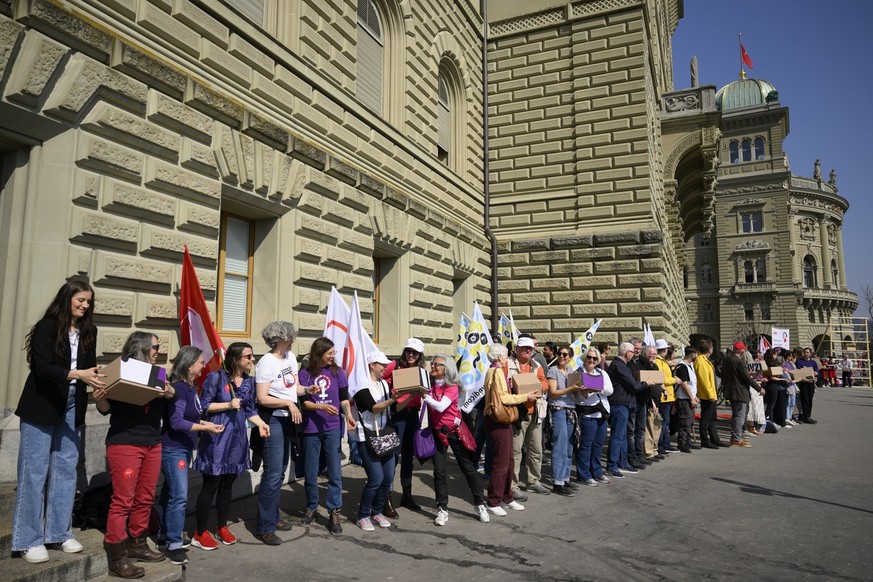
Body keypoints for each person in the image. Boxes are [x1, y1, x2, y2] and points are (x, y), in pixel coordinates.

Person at [13, 279, 102, 564]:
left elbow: (87, 369)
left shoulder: (90, 330)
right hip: (42, 404)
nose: (85, 305)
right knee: (34, 471)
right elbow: (43, 368)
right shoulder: (47, 327)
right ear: (67, 299)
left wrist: (97, 378)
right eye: (81, 300)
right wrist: (79, 375)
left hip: (73, 405)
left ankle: (59, 533)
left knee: (65, 470)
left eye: (89, 301)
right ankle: (28, 540)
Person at [93, 332, 174, 578]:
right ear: (142, 347)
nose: (158, 351)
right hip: (125, 443)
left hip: (152, 443)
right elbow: (105, 409)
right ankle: (117, 557)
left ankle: (137, 544)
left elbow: (173, 398)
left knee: (146, 497)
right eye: (155, 347)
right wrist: (100, 398)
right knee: (123, 500)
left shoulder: (158, 373)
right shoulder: (120, 370)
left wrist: (169, 392)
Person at [192, 342, 270, 550]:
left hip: (237, 441)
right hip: (216, 439)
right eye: (249, 357)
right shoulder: (216, 377)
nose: (253, 360)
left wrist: (261, 424)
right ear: (236, 359)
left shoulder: (249, 382)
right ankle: (199, 532)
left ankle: (221, 526)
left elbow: (250, 410)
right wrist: (227, 405)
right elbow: (203, 406)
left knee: (228, 484)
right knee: (212, 484)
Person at [157, 346, 224, 565]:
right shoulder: (180, 388)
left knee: (170, 493)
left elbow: (191, 417)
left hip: (183, 448)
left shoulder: (190, 387)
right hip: (173, 449)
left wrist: (206, 424)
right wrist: (204, 428)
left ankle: (165, 536)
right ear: (189, 365)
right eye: (200, 362)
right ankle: (174, 544)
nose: (203, 365)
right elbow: (176, 422)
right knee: (180, 496)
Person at [254, 321, 312, 546]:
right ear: (280, 338)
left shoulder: (290, 358)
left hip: (288, 420)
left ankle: (273, 518)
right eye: (291, 336)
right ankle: (265, 528)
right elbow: (262, 397)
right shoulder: (266, 362)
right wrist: (289, 403)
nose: (293, 340)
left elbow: (293, 388)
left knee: (279, 474)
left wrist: (307, 390)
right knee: (272, 473)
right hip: (273, 421)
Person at [423, 355, 490, 525]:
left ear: (446, 368)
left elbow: (440, 406)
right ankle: (442, 508)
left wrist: (424, 396)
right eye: (432, 363)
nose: (433, 366)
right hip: (437, 433)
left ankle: (479, 503)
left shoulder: (451, 387)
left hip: (453, 432)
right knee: (439, 471)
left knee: (467, 467)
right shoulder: (428, 385)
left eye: (437, 364)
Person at [297, 337, 355, 535]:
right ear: (319, 353)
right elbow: (304, 403)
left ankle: (334, 511)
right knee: (311, 471)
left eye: (333, 352)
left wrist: (348, 416)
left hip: (332, 428)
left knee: (334, 472)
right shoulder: (304, 374)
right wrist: (321, 406)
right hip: (311, 428)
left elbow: (344, 398)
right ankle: (312, 506)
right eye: (329, 352)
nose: (332, 356)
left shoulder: (338, 373)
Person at [482, 344, 538, 515]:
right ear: (500, 357)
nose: (507, 359)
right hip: (497, 419)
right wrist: (525, 397)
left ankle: (507, 497)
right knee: (501, 462)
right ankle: (493, 501)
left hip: (502, 419)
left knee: (509, 460)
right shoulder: (496, 371)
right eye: (506, 356)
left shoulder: (496, 370)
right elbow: (502, 397)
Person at [351, 351, 397, 531]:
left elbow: (394, 408)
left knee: (388, 477)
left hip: (384, 435)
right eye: (381, 364)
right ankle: (363, 515)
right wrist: (393, 399)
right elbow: (374, 408)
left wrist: (409, 395)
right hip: (366, 436)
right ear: (372, 365)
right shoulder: (361, 385)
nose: (385, 367)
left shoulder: (384, 384)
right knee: (376, 478)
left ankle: (376, 511)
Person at [382, 337, 426, 515]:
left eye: (415, 352)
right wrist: (390, 388)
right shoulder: (394, 366)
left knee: (408, 455)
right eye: (408, 351)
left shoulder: (421, 370)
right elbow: (379, 376)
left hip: (413, 415)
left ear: (420, 355)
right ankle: (386, 497)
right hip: (397, 414)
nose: (411, 355)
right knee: (393, 456)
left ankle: (407, 495)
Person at [508, 335, 550, 499]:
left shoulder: (537, 365)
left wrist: (536, 387)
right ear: (516, 349)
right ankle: (512, 485)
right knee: (516, 452)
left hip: (535, 413)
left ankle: (533, 482)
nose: (527, 351)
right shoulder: (509, 365)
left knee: (536, 450)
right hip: (517, 414)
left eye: (530, 349)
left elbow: (544, 383)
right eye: (524, 348)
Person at [606, 342, 648, 478]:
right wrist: (647, 383)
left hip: (624, 403)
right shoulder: (618, 365)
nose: (634, 354)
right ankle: (612, 465)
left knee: (623, 436)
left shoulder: (621, 365)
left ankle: (622, 462)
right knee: (617, 436)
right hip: (618, 404)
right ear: (627, 353)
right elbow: (633, 385)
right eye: (632, 351)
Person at [547, 345, 582, 496]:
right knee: (559, 446)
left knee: (569, 446)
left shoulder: (571, 372)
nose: (562, 357)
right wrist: (571, 389)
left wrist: (582, 390)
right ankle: (557, 482)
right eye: (560, 354)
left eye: (565, 355)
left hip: (570, 410)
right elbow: (553, 393)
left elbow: (575, 395)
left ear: (570, 357)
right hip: (558, 410)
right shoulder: (553, 370)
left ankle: (565, 478)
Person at [575, 347, 613, 486]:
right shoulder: (578, 373)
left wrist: (596, 388)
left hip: (601, 413)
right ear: (584, 358)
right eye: (589, 357)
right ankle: (584, 475)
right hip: (587, 414)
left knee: (598, 445)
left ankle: (597, 472)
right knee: (586, 445)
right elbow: (580, 396)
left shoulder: (601, 372)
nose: (591, 360)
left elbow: (610, 390)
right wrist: (593, 389)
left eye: (595, 358)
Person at [721, 342, 761, 447]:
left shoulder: (727, 360)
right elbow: (746, 378)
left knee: (736, 415)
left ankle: (736, 436)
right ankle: (736, 438)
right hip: (740, 392)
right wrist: (759, 388)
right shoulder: (739, 362)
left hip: (731, 391)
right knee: (740, 416)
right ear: (741, 350)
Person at [694, 340, 727, 449]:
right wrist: (710, 395)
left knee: (712, 418)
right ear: (709, 349)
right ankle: (704, 440)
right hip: (707, 396)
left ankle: (715, 439)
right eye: (712, 347)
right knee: (705, 419)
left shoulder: (705, 360)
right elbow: (704, 381)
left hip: (711, 394)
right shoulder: (701, 361)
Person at [653, 339, 677, 455]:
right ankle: (661, 444)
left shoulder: (663, 361)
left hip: (668, 395)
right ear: (665, 349)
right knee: (663, 422)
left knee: (666, 422)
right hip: (663, 396)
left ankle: (665, 443)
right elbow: (660, 378)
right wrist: (674, 380)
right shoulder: (659, 361)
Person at [673, 346, 699, 453]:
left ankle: (688, 441)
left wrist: (694, 396)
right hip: (684, 399)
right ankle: (682, 443)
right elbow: (684, 384)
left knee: (690, 422)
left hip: (690, 398)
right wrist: (691, 398)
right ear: (692, 354)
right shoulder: (682, 366)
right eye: (696, 354)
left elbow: (692, 384)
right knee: (685, 422)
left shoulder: (690, 366)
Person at [795, 347, 819, 424]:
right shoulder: (799, 361)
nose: (806, 354)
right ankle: (805, 416)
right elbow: (798, 370)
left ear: (810, 353)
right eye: (805, 352)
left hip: (811, 382)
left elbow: (817, 371)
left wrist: (816, 373)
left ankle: (808, 415)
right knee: (804, 399)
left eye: (808, 352)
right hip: (803, 383)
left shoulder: (813, 362)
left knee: (810, 399)